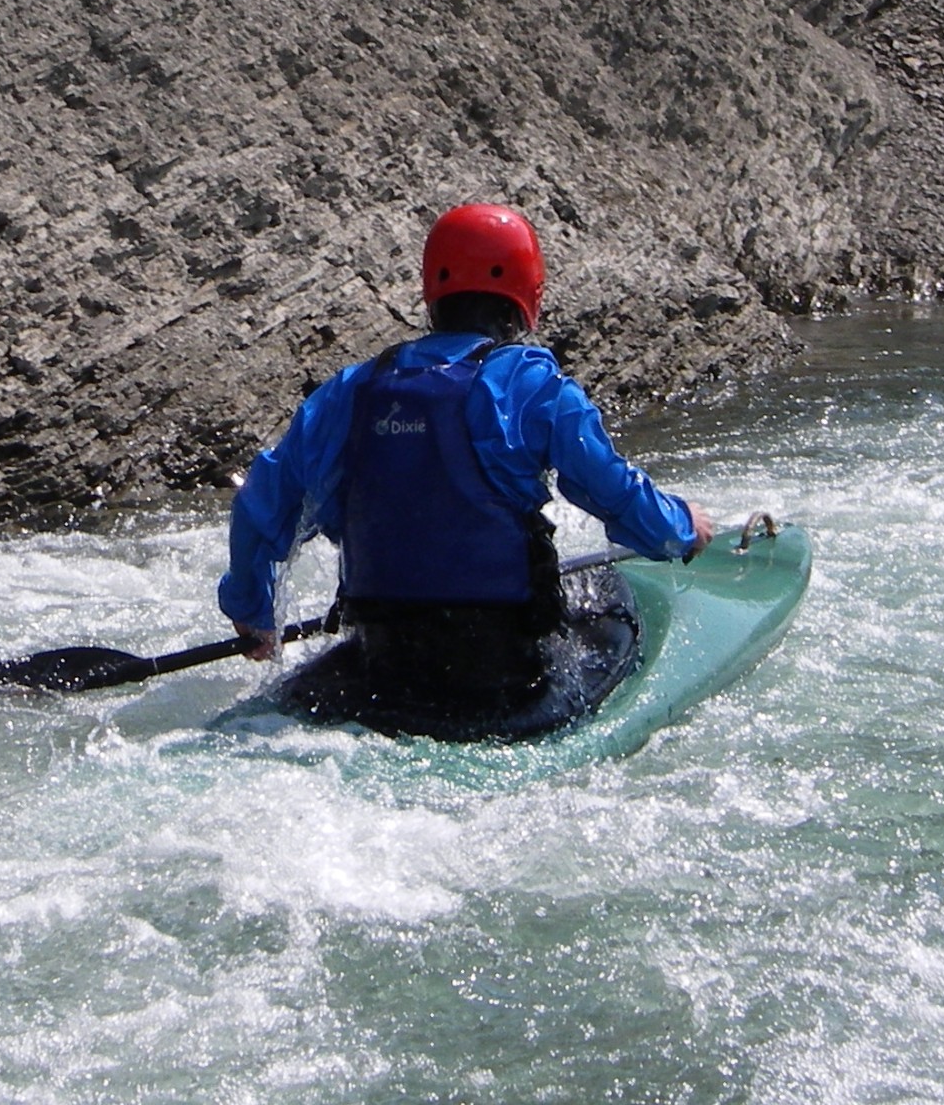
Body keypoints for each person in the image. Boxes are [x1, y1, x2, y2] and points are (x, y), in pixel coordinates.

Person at [218, 203, 714, 731]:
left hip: (385, 660)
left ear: (432, 293)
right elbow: (613, 491)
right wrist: (682, 528)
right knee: (606, 588)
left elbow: (260, 507)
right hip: (499, 677)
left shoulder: (351, 391)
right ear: (528, 294)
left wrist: (253, 612)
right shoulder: (533, 385)